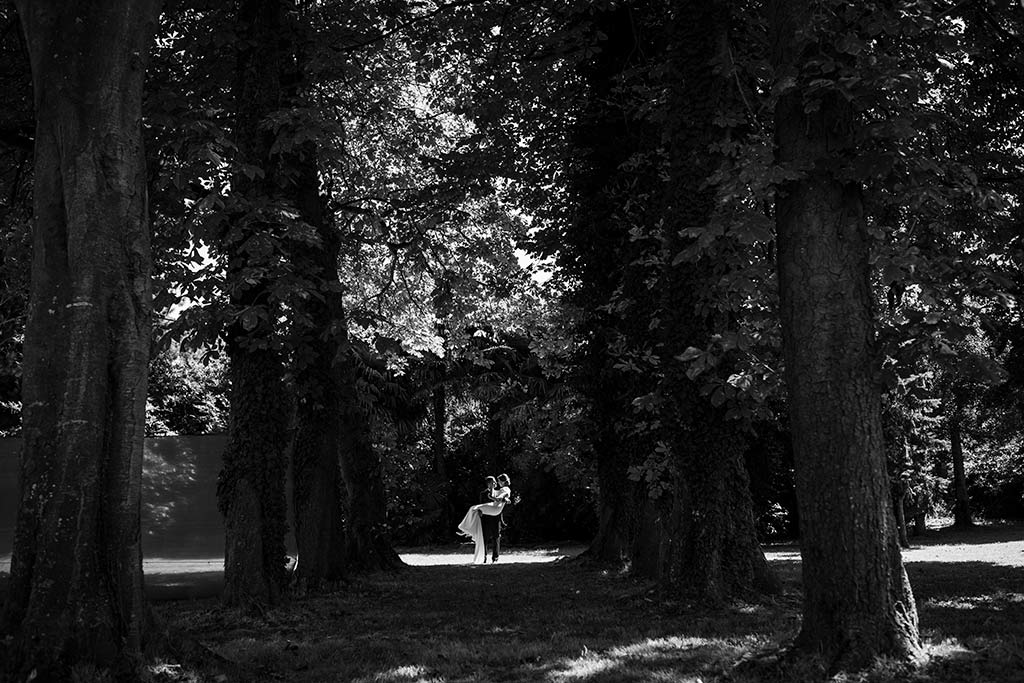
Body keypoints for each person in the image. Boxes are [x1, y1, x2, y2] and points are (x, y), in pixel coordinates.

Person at [457, 474, 512, 564]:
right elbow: (501, 496)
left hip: (495, 513)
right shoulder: (490, 492)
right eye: (493, 482)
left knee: (495, 537)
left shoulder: (504, 489)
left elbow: (500, 497)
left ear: (502, 481)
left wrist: (497, 498)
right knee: (474, 511)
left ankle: (495, 558)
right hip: (488, 514)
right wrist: (504, 498)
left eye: (497, 482)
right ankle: (466, 530)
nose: (496, 483)